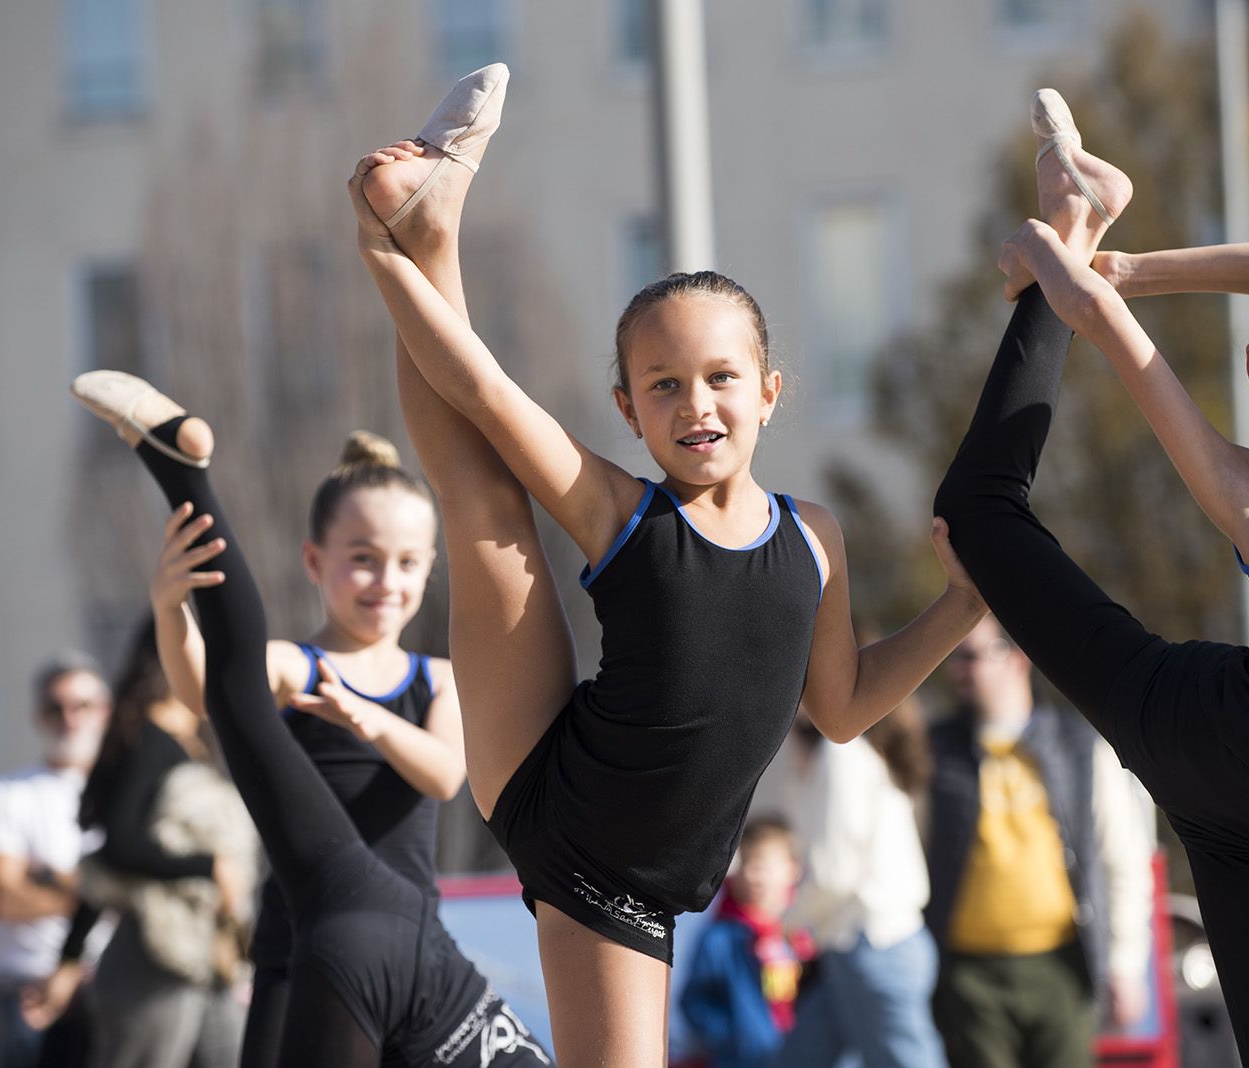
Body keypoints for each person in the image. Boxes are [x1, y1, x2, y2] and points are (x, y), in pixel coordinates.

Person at [348, 62, 986, 1063]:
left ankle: (427, 228)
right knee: (484, 503)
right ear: (628, 411)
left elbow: (846, 706)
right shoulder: (626, 512)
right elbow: (481, 387)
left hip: (637, 857)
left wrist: (958, 608)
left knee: (483, 498)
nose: (697, 404)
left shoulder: (813, 536)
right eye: (663, 385)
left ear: (769, 391)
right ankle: (430, 232)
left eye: (720, 378)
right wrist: (378, 257)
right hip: (591, 848)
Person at [935, 87, 1249, 1067]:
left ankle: (1087, 215)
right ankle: (1070, 209)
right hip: (1203, 740)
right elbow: (1104, 328)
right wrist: (1055, 253)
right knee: (978, 514)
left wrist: (1134, 265)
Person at [148, 429, 467, 1065]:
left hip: (403, 952)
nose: (386, 581)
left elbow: (445, 776)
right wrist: (169, 609)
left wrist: (367, 720)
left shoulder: (440, 678)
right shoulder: (297, 667)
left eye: (407, 562)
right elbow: (206, 692)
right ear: (315, 561)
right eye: (363, 558)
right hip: (299, 943)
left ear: (430, 568)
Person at [22, 618, 253, 1068]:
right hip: (152, 957)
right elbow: (118, 849)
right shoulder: (147, 735)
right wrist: (211, 867)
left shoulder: (194, 736)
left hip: (208, 956)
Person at [926, 617, 1155, 1068]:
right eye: (952, 657)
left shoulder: (1081, 745)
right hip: (967, 976)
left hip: (1063, 970)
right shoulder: (934, 749)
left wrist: (1125, 966)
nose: (958, 669)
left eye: (970, 655)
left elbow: (1124, 861)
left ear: (1017, 657)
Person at [777, 700, 948, 1068]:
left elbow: (833, 873)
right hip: (861, 948)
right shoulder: (856, 751)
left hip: (873, 948)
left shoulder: (843, 753)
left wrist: (785, 925)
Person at [0, 653, 112, 1068]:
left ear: (105, 711)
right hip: (29, 994)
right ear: (38, 716)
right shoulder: (7, 795)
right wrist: (100, 893)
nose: (69, 718)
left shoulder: (127, 793)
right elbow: (3, 898)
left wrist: (51, 880)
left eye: (82, 705)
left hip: (115, 991)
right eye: (56, 707)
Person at [678, 815, 813, 1068]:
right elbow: (694, 1001)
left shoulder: (804, 934)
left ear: (793, 869)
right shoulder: (721, 937)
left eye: (765, 865)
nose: (753, 875)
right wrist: (736, 1037)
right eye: (748, 863)